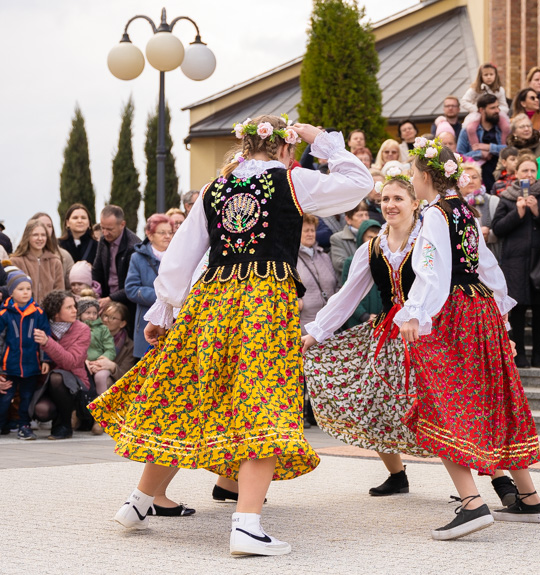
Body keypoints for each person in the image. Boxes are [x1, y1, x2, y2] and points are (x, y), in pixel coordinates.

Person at [87, 116, 372, 556]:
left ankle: (139, 502)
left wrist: (164, 308)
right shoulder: (293, 181)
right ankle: (247, 524)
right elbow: (358, 182)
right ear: (283, 148)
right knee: (265, 401)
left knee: (188, 395)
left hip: (212, 300)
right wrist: (325, 142)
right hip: (262, 301)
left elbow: (182, 256)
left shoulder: (214, 189)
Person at [395, 140, 540, 540]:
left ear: (426, 177)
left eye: (412, 175)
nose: (412, 181)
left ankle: (472, 504)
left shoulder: (434, 216)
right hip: (481, 307)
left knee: (442, 400)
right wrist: (503, 315)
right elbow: (488, 265)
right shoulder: (464, 209)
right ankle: (528, 497)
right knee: (496, 397)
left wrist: (413, 312)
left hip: (454, 312)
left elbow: (430, 269)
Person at [302, 174, 432, 494]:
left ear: (415, 204)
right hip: (386, 336)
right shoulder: (372, 247)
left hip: (425, 333)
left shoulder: (429, 240)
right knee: (375, 404)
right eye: (385, 199)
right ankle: (397, 475)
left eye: (398, 198)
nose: (390, 205)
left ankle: (489, 478)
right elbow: (347, 295)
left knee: (436, 407)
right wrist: (316, 333)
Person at [492, 153, 540, 368]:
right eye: (525, 171)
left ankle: (538, 353)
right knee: (518, 310)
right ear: (516, 174)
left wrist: (538, 211)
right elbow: (498, 228)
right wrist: (518, 213)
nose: (529, 175)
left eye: (533, 171)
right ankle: (519, 354)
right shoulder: (508, 197)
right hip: (515, 262)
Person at [31, 290, 91, 440]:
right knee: (42, 411)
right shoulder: (42, 327)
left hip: (75, 384)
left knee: (57, 377)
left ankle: (64, 426)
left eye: (74, 306)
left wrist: (47, 343)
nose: (75, 311)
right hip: (45, 384)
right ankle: (67, 413)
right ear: (56, 312)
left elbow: (71, 361)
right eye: (69, 307)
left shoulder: (82, 329)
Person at [0, 271, 50, 440]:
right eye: (21, 289)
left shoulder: (38, 313)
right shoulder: (4, 313)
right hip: (9, 365)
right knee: (5, 398)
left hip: (31, 364)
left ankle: (24, 425)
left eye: (28, 288)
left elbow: (45, 337)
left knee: (27, 397)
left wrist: (45, 359)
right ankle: (2, 424)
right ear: (11, 292)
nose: (26, 292)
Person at [125, 213, 174, 360]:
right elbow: (131, 289)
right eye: (162, 232)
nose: (167, 236)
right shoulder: (137, 257)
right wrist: (163, 297)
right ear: (149, 234)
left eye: (170, 232)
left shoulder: (176, 257)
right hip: (147, 320)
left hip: (172, 320)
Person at [92, 205, 141, 314]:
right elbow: (97, 270)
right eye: (102, 228)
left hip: (127, 304)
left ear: (122, 224)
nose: (105, 233)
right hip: (106, 298)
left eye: (109, 229)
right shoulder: (103, 240)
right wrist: (96, 292)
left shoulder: (133, 246)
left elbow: (133, 285)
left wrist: (111, 298)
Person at [297, 214, 340, 335]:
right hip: (304, 327)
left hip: (329, 324)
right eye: (306, 231)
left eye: (312, 230)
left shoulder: (324, 256)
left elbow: (336, 284)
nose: (310, 234)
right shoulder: (292, 260)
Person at [457, 94, 506, 192]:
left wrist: (489, 147)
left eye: (497, 107)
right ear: (481, 110)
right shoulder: (468, 130)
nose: (497, 111)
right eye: (492, 108)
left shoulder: (503, 129)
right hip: (477, 181)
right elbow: (460, 156)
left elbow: (510, 150)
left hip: (500, 178)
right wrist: (480, 154)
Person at [11, 220, 65, 304]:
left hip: (48, 314)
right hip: (23, 313)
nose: (40, 238)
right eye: (35, 235)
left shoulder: (55, 262)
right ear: (27, 237)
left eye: (43, 235)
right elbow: (11, 290)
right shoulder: (16, 261)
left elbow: (60, 293)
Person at [87, 301, 136, 390]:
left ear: (122, 323)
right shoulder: (89, 333)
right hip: (87, 371)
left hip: (110, 384)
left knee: (106, 381)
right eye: (105, 315)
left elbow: (127, 376)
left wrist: (113, 367)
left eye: (112, 318)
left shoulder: (129, 346)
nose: (105, 320)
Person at [76, 297, 115, 399]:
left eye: (94, 313)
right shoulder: (75, 328)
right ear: (80, 314)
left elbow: (110, 349)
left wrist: (100, 362)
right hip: (82, 363)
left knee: (100, 377)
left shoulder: (103, 329)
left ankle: (102, 406)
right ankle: (84, 406)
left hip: (100, 364)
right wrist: (85, 361)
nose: (92, 316)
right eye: (87, 313)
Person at [330, 201, 370, 280]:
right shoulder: (337, 238)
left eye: (366, 215)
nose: (365, 219)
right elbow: (340, 264)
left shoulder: (375, 235)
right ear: (348, 219)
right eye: (360, 215)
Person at [31, 212, 74, 282]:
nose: (46, 229)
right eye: (41, 225)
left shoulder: (64, 256)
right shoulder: (20, 258)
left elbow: (71, 286)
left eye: (49, 226)